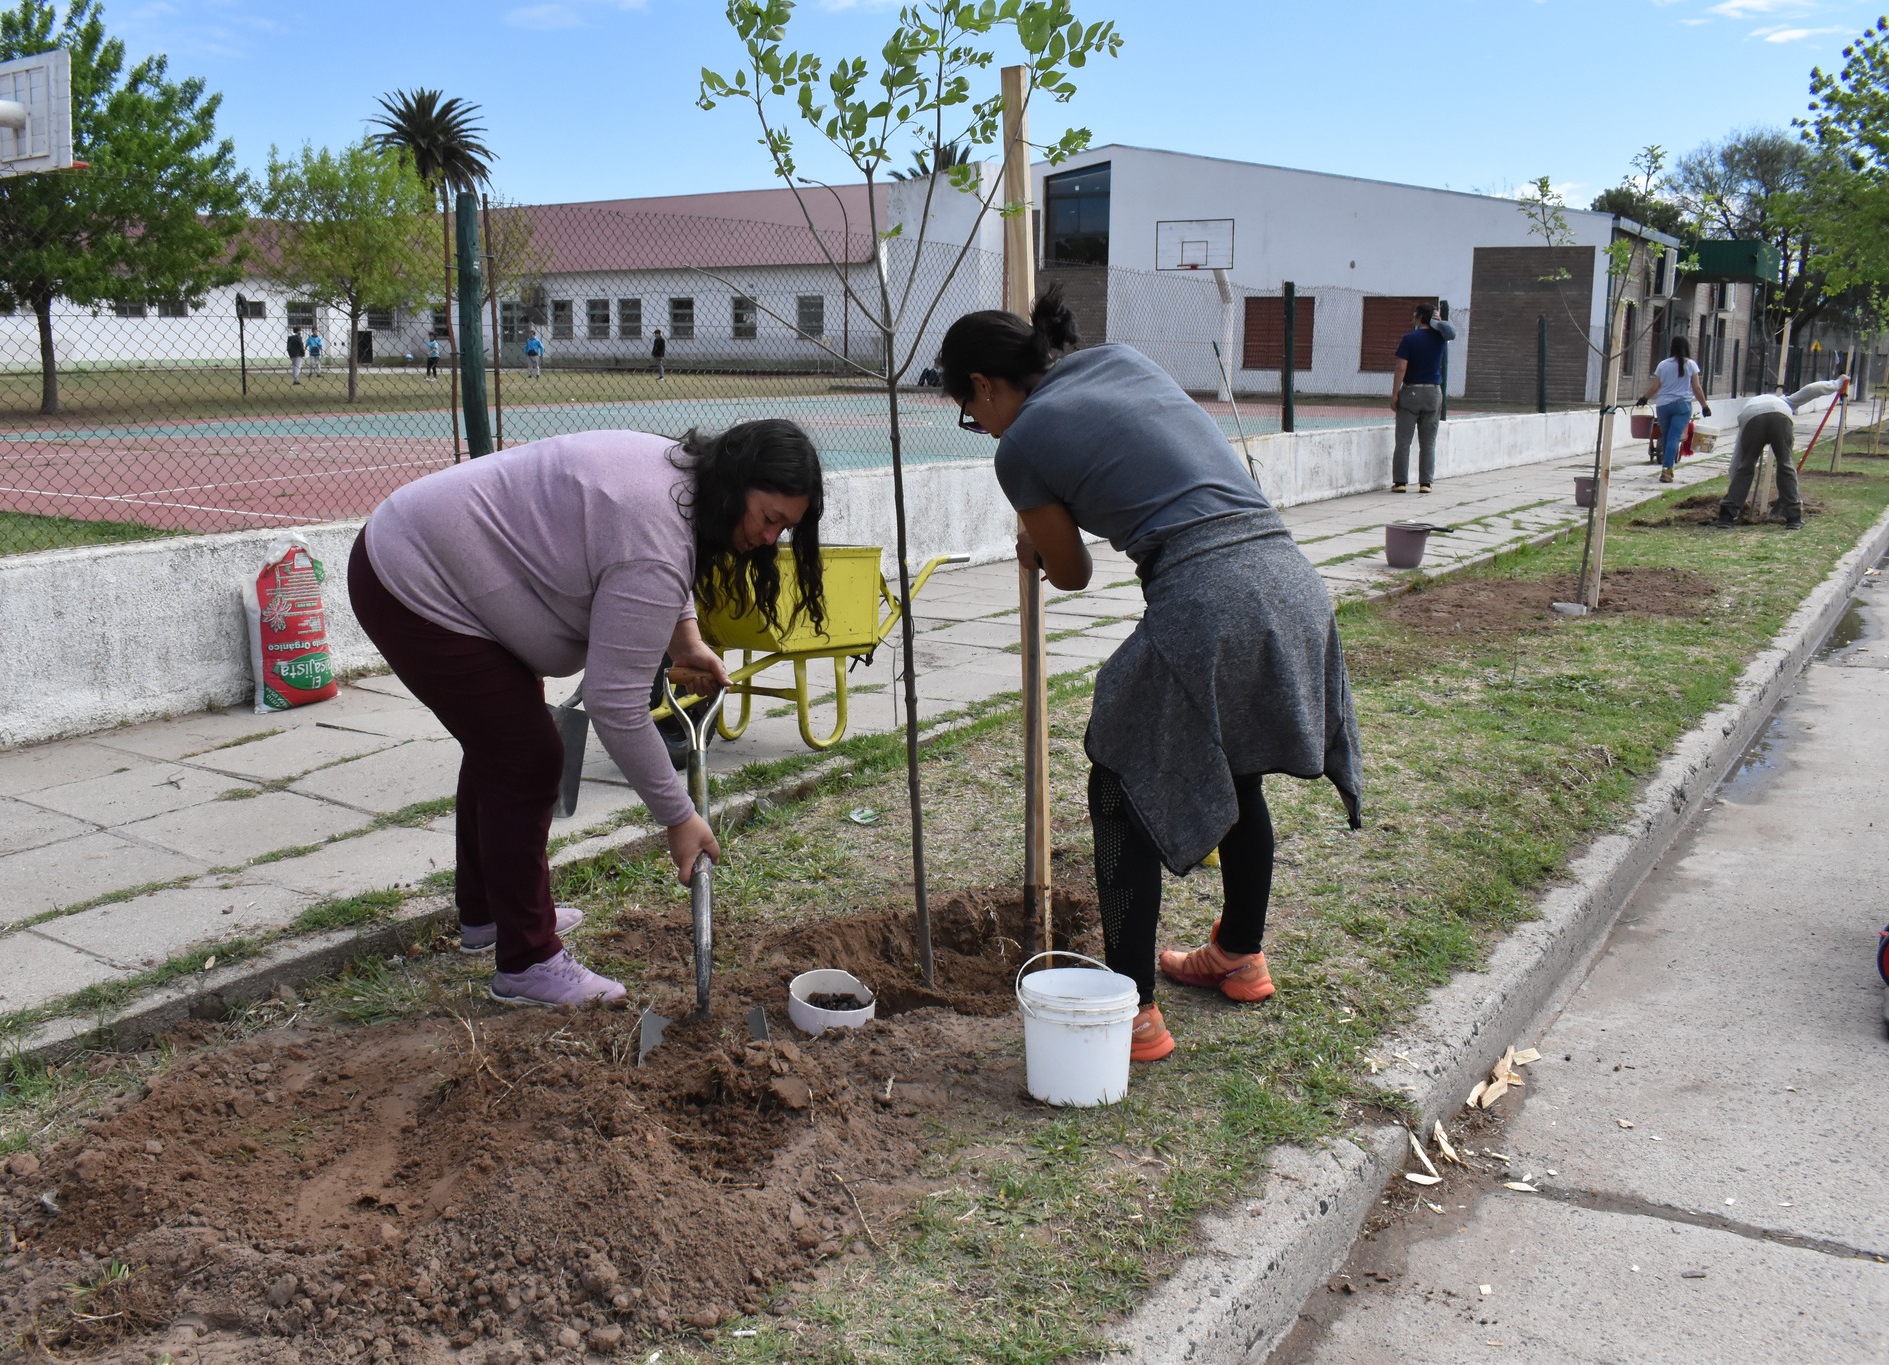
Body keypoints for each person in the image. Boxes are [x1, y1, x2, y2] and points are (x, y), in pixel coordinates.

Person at [938, 286, 1362, 1063]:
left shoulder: (1021, 442)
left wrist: (1034, 544)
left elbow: (1070, 573)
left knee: (1119, 779)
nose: (983, 428)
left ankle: (1130, 1007)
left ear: (983, 387)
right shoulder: (1121, 359)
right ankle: (1239, 952)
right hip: (1290, 575)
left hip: (1210, 591)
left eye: (972, 413)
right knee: (1236, 768)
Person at [349, 421, 828, 1006]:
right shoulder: (657, 527)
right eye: (769, 517)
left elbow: (652, 560)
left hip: (428, 549)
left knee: (503, 744)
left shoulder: (681, 481)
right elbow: (615, 703)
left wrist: (685, 642)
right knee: (524, 757)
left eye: (786, 527)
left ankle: (488, 915)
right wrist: (679, 819)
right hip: (414, 578)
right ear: (735, 486)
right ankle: (527, 962)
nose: (770, 537)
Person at [1715, 374, 1846, 531]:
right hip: (1781, 415)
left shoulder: (1750, 406)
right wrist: (1837, 383)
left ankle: (1726, 517)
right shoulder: (1785, 401)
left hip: (1751, 418)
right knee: (1785, 464)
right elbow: (1811, 390)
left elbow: (1737, 461)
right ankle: (1793, 518)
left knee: (1746, 465)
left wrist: (1734, 486)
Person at [1390, 303, 1456, 493]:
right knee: (1428, 442)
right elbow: (1450, 332)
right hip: (1434, 392)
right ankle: (1425, 483)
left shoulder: (1409, 339)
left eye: (1414, 315)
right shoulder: (1441, 339)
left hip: (1411, 391)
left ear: (1419, 317)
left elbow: (1401, 367)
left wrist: (1395, 394)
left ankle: (1400, 482)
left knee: (1403, 440)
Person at [1637, 336, 1712, 484]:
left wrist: (1644, 398)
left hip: (1663, 406)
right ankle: (1667, 470)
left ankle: (1668, 467)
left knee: (1666, 436)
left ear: (1671, 347)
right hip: (1682, 406)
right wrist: (1705, 406)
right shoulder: (1691, 365)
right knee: (1673, 437)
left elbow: (1655, 386)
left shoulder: (1663, 365)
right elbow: (1697, 388)